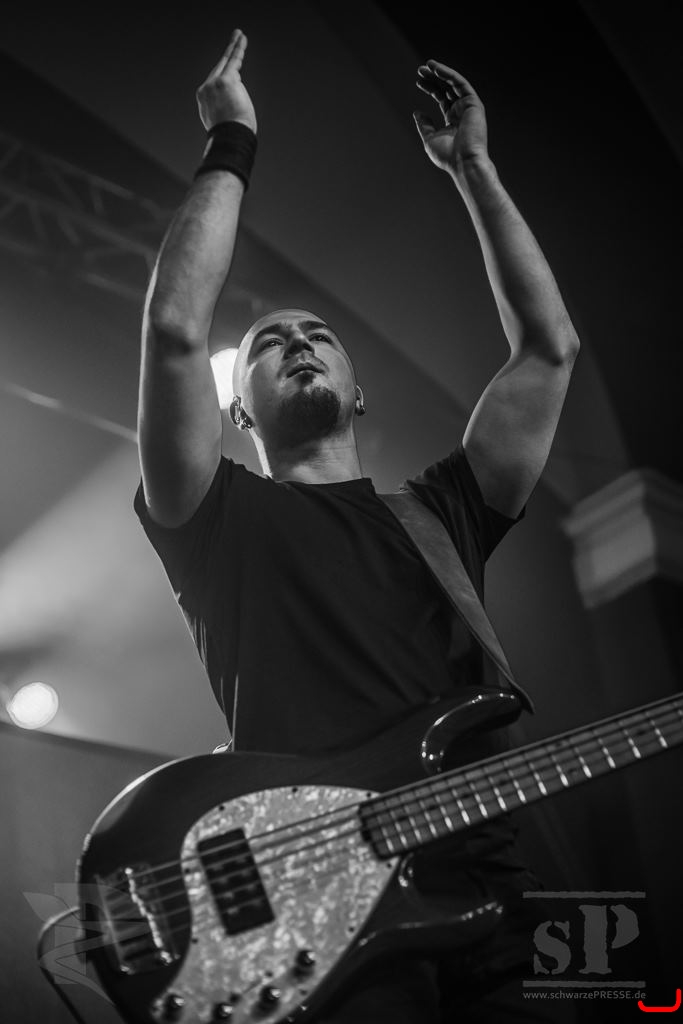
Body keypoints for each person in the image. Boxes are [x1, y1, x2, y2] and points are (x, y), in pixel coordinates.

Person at [134, 28, 580, 1023]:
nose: (298, 343)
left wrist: (472, 169)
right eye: (269, 342)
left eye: (318, 335)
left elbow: (547, 350)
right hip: (322, 913)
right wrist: (231, 142)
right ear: (237, 409)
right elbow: (172, 330)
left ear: (357, 389)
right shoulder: (214, 515)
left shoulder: (439, 514)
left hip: (490, 891)